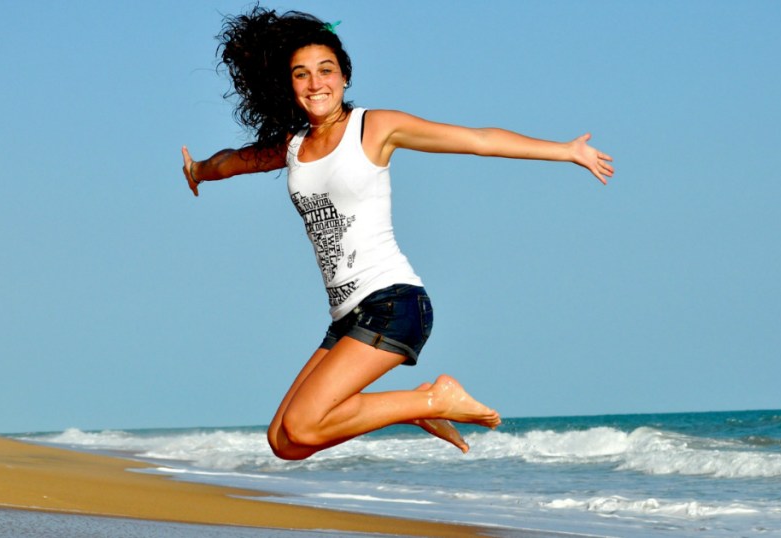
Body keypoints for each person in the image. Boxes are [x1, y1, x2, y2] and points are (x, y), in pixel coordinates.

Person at [181, 7, 614, 461]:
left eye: (326, 71)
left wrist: (565, 151)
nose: (316, 83)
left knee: (304, 424)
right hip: (347, 316)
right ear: (288, 86)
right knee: (284, 441)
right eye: (301, 74)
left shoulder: (374, 128)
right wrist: (198, 170)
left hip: (392, 303)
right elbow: (232, 161)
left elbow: (476, 139)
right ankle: (413, 407)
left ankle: (432, 399)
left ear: (344, 76)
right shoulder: (293, 147)